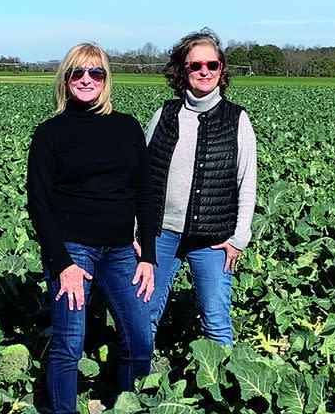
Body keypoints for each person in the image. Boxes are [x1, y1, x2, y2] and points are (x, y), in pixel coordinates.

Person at [27, 43, 156, 413]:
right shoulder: (50, 133)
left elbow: (144, 194)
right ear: (65, 80)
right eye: (77, 73)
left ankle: (128, 403)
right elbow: (39, 204)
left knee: (140, 340)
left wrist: (147, 253)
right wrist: (63, 263)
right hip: (72, 251)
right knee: (69, 344)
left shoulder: (127, 127)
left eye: (95, 72)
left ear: (106, 79)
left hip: (120, 251)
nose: (87, 80)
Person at [146, 29, 257, 347]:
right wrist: (138, 229)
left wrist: (239, 238)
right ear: (183, 71)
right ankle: (135, 388)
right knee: (145, 315)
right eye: (195, 65)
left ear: (221, 69)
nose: (204, 71)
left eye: (212, 64)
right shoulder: (164, 115)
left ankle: (219, 395)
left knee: (216, 321)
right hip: (160, 234)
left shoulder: (237, 120)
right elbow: (141, 177)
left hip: (212, 238)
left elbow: (246, 182)